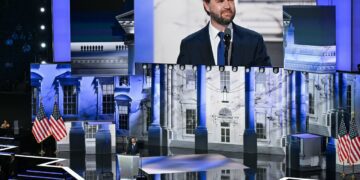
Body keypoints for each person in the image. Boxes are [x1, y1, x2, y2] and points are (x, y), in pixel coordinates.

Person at [177, 0, 271, 67]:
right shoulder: (189, 45)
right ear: (206, 5)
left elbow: (264, 84)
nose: (227, 6)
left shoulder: (254, 41)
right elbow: (182, 86)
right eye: (220, 1)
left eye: (230, 0)